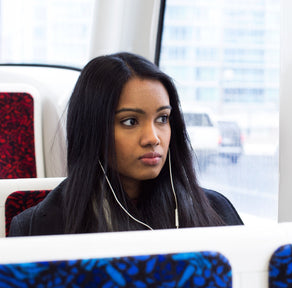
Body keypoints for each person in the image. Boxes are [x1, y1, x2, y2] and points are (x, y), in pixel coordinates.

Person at [9, 52, 243, 236]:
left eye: (162, 118)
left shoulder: (216, 212)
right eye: (130, 121)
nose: (153, 138)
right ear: (93, 130)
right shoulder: (40, 229)